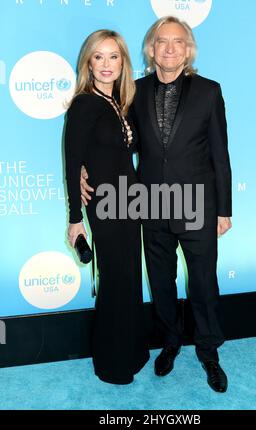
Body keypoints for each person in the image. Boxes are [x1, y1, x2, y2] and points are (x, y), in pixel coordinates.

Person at [81, 16, 232, 393]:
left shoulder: (209, 92)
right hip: (149, 206)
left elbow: (221, 155)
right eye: (161, 41)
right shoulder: (134, 91)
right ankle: (170, 343)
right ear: (150, 50)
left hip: (198, 204)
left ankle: (209, 353)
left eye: (178, 42)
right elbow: (116, 140)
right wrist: (85, 169)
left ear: (188, 49)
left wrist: (224, 210)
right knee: (161, 283)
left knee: (202, 283)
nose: (169, 48)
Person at [64, 29, 149, 385]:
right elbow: (72, 162)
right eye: (98, 57)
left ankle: (133, 351)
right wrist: (74, 220)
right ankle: (113, 364)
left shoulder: (122, 102)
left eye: (113, 56)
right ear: (88, 62)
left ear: (123, 62)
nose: (106, 64)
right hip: (106, 206)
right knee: (115, 281)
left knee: (129, 278)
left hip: (130, 203)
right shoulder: (85, 104)